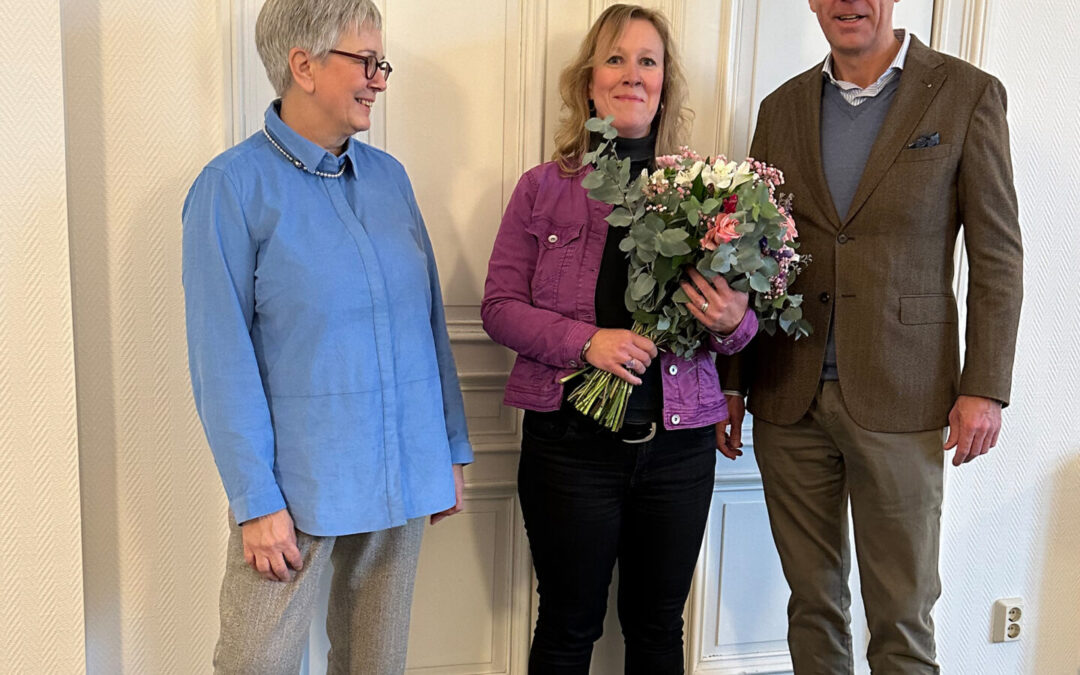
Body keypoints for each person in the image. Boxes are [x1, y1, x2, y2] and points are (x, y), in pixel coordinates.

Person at [718, 1, 1023, 672]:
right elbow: (747, 252)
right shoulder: (781, 107)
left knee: (901, 615)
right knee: (812, 604)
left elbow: (998, 255)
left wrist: (986, 387)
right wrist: (733, 382)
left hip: (903, 396)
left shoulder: (967, 94)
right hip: (786, 393)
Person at [182, 0, 472, 672]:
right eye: (365, 62)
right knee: (255, 661)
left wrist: (450, 445)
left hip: (402, 465)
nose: (379, 78)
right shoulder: (231, 188)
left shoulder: (390, 180)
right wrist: (255, 503)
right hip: (298, 485)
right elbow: (219, 356)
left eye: (382, 63)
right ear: (303, 66)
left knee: (377, 661)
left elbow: (426, 320)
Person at [481, 5, 758, 673]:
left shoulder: (708, 196)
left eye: (647, 61)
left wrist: (731, 322)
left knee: (659, 628)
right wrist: (587, 342)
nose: (631, 74)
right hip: (570, 448)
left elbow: (745, 325)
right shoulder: (542, 189)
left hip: (679, 450)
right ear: (588, 81)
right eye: (615, 58)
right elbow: (498, 307)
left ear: (665, 83)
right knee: (568, 625)